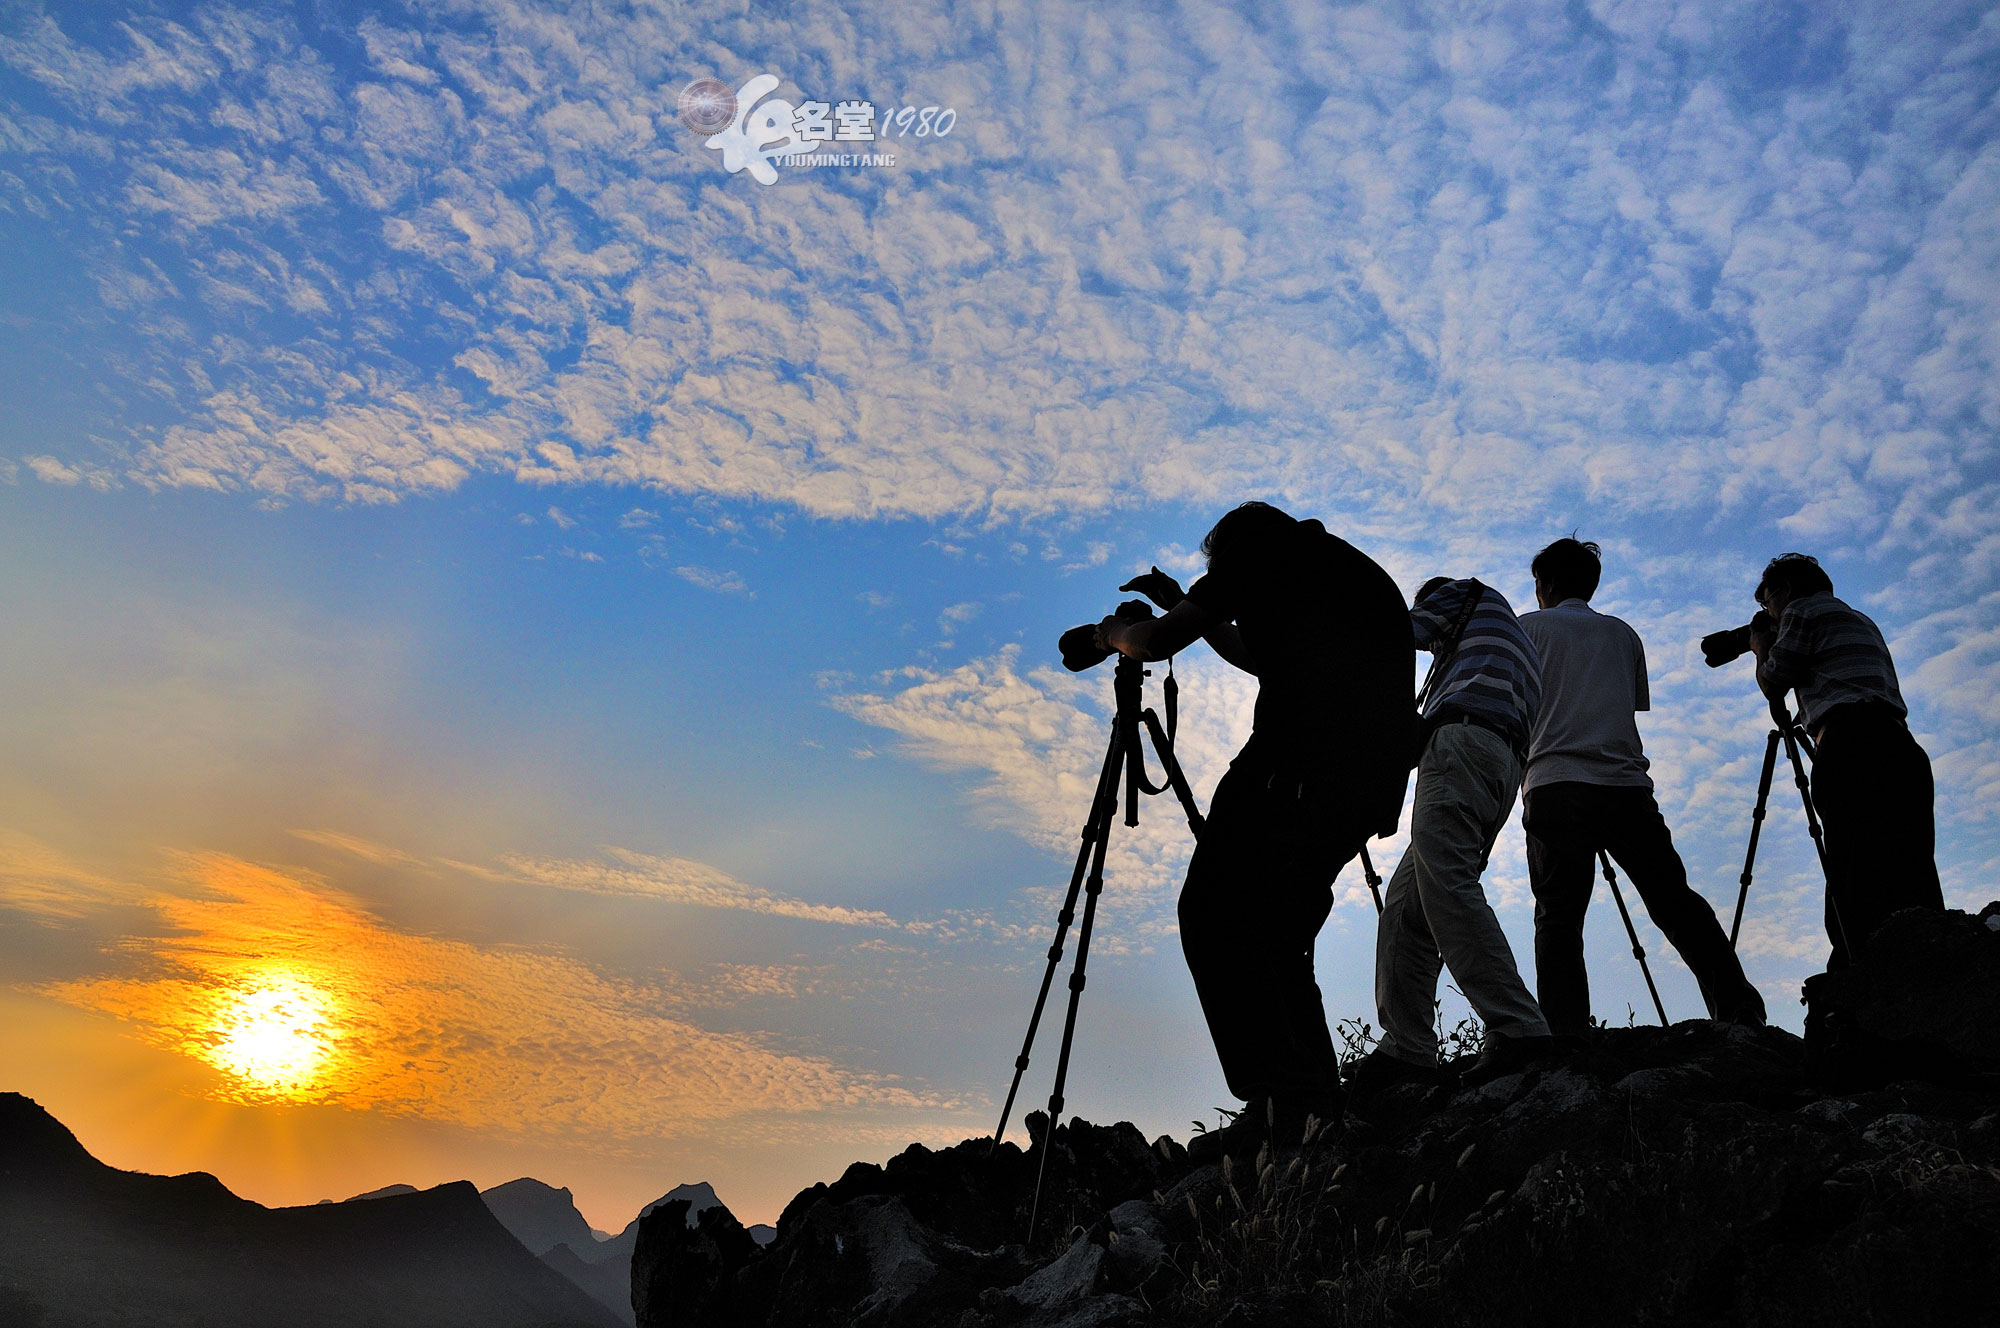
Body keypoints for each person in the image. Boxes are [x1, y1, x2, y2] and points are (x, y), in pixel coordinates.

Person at [1097, 502, 1415, 1155]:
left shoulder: (1258, 557)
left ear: (1229, 552)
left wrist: (1112, 634)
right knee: (1280, 942)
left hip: (1284, 776)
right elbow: (1256, 652)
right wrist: (1194, 602)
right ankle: (1309, 1110)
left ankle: (1274, 1102)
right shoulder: (1344, 571)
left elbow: (1156, 642)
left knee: (1211, 916)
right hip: (1358, 796)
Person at [1517, 538, 1765, 1041]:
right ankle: (1738, 1005)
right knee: (1673, 899)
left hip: (1554, 782)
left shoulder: (1526, 630)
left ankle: (1565, 1033)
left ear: (1543, 585)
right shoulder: (1623, 635)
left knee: (1559, 916)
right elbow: (1624, 707)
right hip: (1625, 784)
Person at [1347, 575, 1552, 1094]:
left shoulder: (1465, 593)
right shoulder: (1504, 650)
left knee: (1449, 887)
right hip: (1499, 764)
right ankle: (1408, 1048)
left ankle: (1518, 1028)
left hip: (1462, 747)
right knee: (1408, 906)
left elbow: (1394, 632)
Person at [1748, 553, 1944, 967]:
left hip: (1850, 742)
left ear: (1783, 590)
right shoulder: (1860, 619)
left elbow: (1776, 679)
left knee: (1851, 866)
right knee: (1912, 865)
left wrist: (1760, 646)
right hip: (1900, 744)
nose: (1767, 610)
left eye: (1766, 602)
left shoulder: (1800, 610)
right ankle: (1931, 963)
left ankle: (1854, 981)